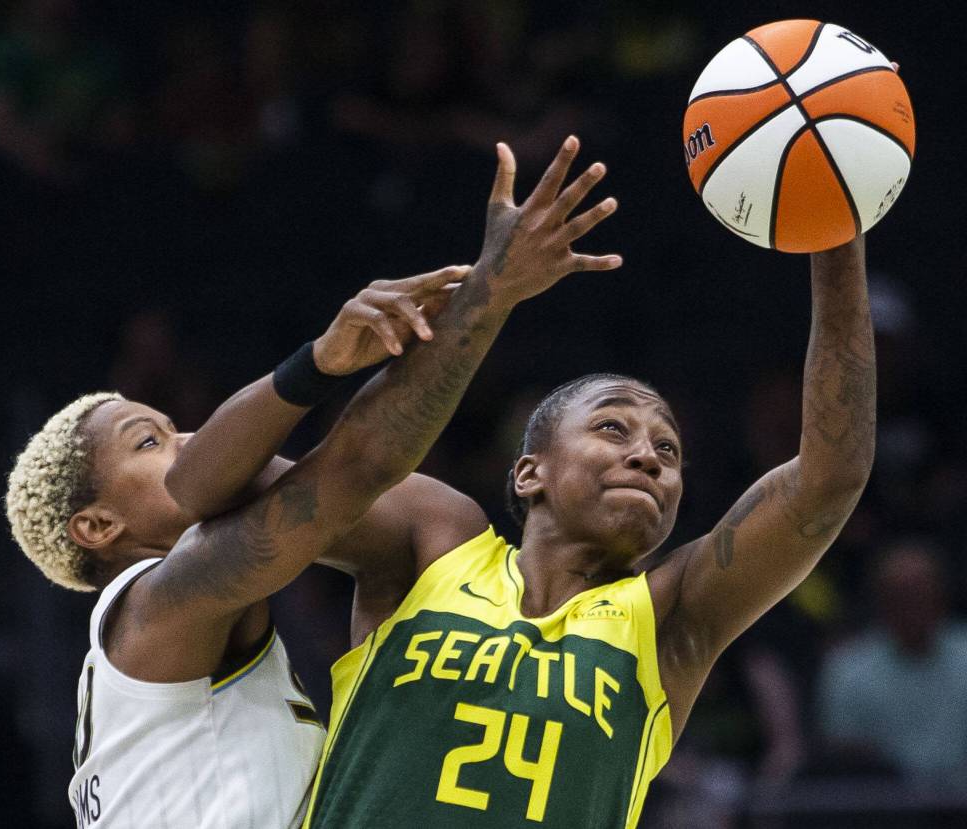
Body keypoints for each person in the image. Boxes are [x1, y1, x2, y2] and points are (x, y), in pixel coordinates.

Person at [169, 139, 877, 828]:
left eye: (668, 449)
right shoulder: (436, 539)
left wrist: (834, 233)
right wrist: (332, 357)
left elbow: (829, 478)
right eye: (612, 428)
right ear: (529, 470)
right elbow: (202, 478)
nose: (649, 457)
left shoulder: (668, 615)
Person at [4, 137, 619, 828]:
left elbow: (428, 517)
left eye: (178, 427)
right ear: (97, 526)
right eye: (149, 441)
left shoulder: (164, 658)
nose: (187, 441)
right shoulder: (153, 609)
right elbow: (348, 471)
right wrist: (475, 297)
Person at [816, 539, 967, 784]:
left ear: (941, 597)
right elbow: (844, 752)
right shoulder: (848, 669)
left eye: (920, 594)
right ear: (882, 601)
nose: (912, 608)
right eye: (901, 597)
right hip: (884, 808)